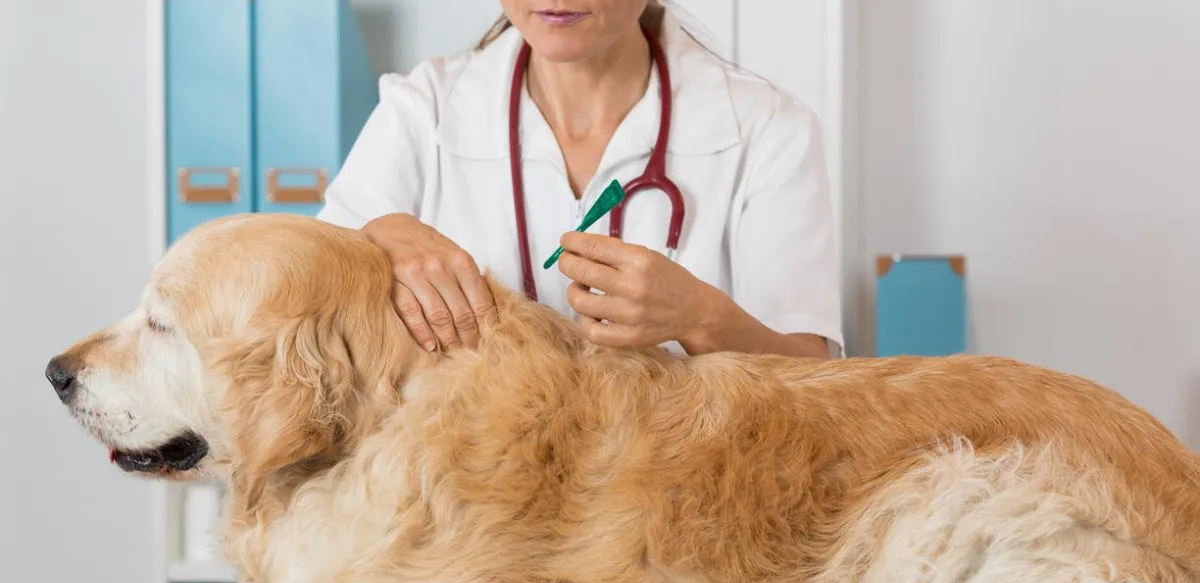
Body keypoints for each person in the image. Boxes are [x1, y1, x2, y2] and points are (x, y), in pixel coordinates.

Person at [316, 0, 844, 359]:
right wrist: (376, 236)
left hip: (673, 500)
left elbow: (816, 379)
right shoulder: (423, 109)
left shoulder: (767, 128)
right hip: (474, 497)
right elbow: (303, 296)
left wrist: (701, 317)